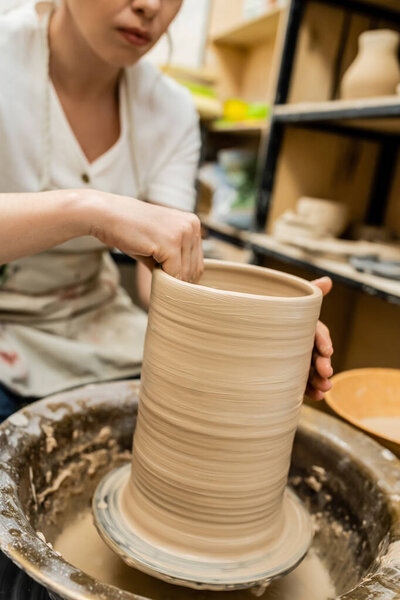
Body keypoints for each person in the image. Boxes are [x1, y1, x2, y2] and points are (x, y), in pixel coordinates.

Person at [0, 0, 332, 421]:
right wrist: (89, 209)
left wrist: (261, 335)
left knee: (209, 404)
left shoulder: (171, 110)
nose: (149, 5)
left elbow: (166, 274)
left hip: (89, 321)